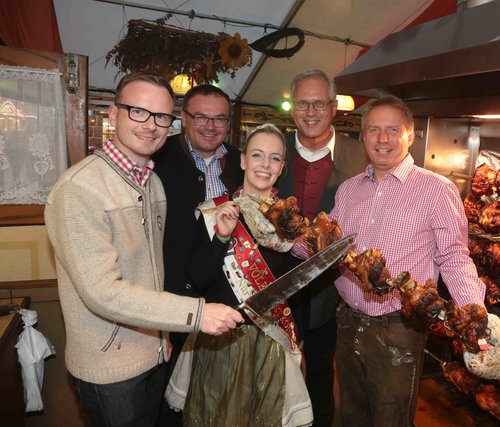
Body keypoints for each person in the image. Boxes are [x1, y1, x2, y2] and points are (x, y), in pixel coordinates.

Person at [44, 72, 244, 427]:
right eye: (139, 111)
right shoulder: (79, 190)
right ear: (113, 114)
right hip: (110, 368)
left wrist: (161, 337)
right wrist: (197, 314)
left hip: (152, 352)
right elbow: (102, 293)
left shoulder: (151, 182)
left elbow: (153, 270)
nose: (151, 125)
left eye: (161, 117)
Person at [317, 95, 487, 427]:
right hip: (348, 322)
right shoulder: (349, 189)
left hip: (399, 328)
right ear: (363, 136)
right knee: (350, 414)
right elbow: (326, 249)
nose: (382, 139)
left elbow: (453, 256)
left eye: (393, 130)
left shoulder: (437, 190)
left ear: (410, 135)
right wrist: (281, 234)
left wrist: (473, 312)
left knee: (390, 418)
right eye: (374, 130)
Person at [182, 124, 313, 427]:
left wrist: (297, 339)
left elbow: (297, 287)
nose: (265, 165)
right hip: (223, 342)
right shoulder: (214, 212)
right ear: (242, 161)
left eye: (275, 158)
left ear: (282, 167)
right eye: (257, 155)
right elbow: (198, 279)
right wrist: (223, 238)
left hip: (271, 343)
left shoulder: (292, 224)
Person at [276, 69, 369, 426]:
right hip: (273, 283)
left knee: (319, 374)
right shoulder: (273, 146)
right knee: (272, 372)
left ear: (333, 108)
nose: (310, 110)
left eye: (319, 103)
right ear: (292, 107)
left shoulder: (361, 155)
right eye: (303, 102)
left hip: (331, 292)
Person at [153, 84, 243, 425]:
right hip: (173, 297)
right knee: (170, 400)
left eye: (219, 118)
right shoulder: (158, 160)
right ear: (183, 118)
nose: (210, 125)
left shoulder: (240, 163)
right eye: (201, 116)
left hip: (224, 298)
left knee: (217, 397)